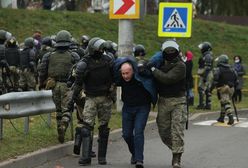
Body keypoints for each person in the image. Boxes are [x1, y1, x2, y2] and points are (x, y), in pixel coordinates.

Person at [67, 37, 115, 166]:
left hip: (105, 98)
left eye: (102, 48)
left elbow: (115, 78)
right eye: (98, 48)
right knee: (86, 127)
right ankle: (86, 157)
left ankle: (102, 158)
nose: (101, 50)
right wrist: (72, 100)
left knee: (104, 128)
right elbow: (77, 84)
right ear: (92, 48)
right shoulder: (84, 63)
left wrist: (112, 92)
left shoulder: (108, 60)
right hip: (91, 98)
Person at [147, 40, 186, 168]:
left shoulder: (181, 66)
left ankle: (176, 158)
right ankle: (176, 147)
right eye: (167, 51)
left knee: (177, 130)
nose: (170, 53)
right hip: (163, 101)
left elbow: (168, 79)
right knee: (163, 131)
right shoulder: (159, 63)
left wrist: (153, 69)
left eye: (172, 51)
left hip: (178, 101)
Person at [113, 56, 157, 168]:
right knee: (126, 135)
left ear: (133, 70)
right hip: (127, 107)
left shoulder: (141, 75)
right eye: (123, 74)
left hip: (142, 107)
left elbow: (152, 74)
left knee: (138, 132)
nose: (125, 76)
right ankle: (134, 153)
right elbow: (113, 70)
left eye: (127, 73)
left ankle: (139, 160)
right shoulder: (120, 79)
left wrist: (146, 68)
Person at [39, 30, 80, 143]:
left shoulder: (48, 55)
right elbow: (79, 71)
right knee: (67, 108)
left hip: (54, 85)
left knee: (58, 109)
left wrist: (41, 83)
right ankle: (64, 125)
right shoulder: (74, 55)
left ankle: (59, 129)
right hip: (68, 85)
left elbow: (42, 71)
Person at [213, 54, 238, 125]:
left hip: (223, 88)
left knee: (226, 103)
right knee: (223, 102)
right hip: (232, 88)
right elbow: (236, 80)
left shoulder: (218, 69)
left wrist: (212, 87)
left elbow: (215, 79)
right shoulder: (232, 69)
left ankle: (230, 117)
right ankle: (221, 117)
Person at [196, 41, 214, 110]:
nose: (201, 49)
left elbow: (208, 67)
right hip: (208, 73)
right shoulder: (207, 55)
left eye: (202, 47)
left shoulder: (207, 56)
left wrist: (204, 77)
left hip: (207, 74)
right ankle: (208, 105)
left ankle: (201, 104)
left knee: (201, 88)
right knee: (207, 89)